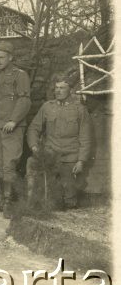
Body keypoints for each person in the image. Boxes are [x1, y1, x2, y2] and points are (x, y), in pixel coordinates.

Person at [26, 76, 93, 210]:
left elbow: (86, 137)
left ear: (70, 90)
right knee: (49, 196)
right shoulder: (47, 107)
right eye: (56, 88)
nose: (58, 91)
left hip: (70, 157)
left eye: (62, 88)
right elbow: (33, 128)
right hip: (50, 155)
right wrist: (34, 146)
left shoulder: (79, 109)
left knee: (70, 199)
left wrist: (81, 161)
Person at [0, 41, 31, 219]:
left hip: (11, 128)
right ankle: (3, 200)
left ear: (11, 57)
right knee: (1, 165)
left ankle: (8, 204)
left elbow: (24, 100)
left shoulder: (20, 75)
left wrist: (14, 120)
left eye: (2, 57)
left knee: (9, 165)